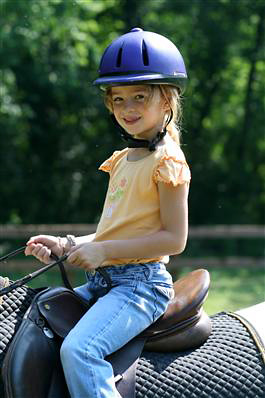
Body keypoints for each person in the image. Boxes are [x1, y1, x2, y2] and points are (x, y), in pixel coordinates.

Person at [25, 27, 191, 398]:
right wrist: (66, 245)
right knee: (35, 311)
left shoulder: (168, 161)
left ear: (166, 100)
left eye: (139, 97)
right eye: (118, 100)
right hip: (105, 283)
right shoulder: (124, 159)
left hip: (140, 287)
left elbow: (175, 239)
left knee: (81, 350)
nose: (127, 109)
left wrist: (103, 252)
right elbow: (112, 231)